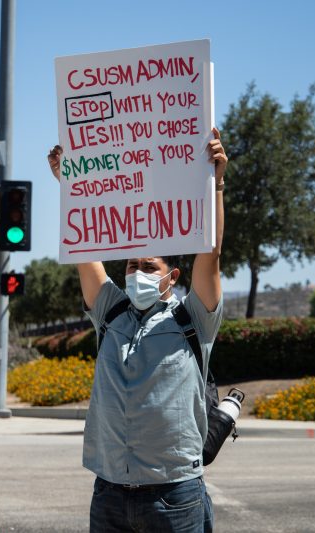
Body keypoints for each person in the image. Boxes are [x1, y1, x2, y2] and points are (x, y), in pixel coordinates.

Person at [47, 128, 228, 532]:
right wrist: (70, 185)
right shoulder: (111, 312)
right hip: (109, 491)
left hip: (174, 495)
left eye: (149, 267)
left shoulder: (192, 319)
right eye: (132, 266)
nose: (138, 273)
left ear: (172, 276)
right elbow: (84, 248)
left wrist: (215, 182)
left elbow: (211, 254)